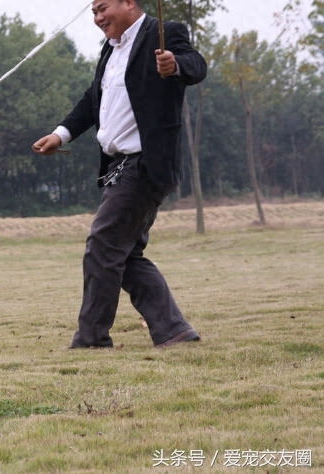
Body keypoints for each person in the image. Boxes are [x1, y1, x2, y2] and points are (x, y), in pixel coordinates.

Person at [32, 0, 207, 348]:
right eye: (93, 13)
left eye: (102, 8)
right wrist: (60, 134)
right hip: (117, 167)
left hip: (145, 165)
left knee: (102, 247)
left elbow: (197, 65)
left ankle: (92, 341)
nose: (97, 18)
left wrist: (174, 65)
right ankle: (174, 331)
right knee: (124, 256)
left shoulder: (165, 33)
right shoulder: (109, 50)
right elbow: (92, 99)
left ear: (129, 3)